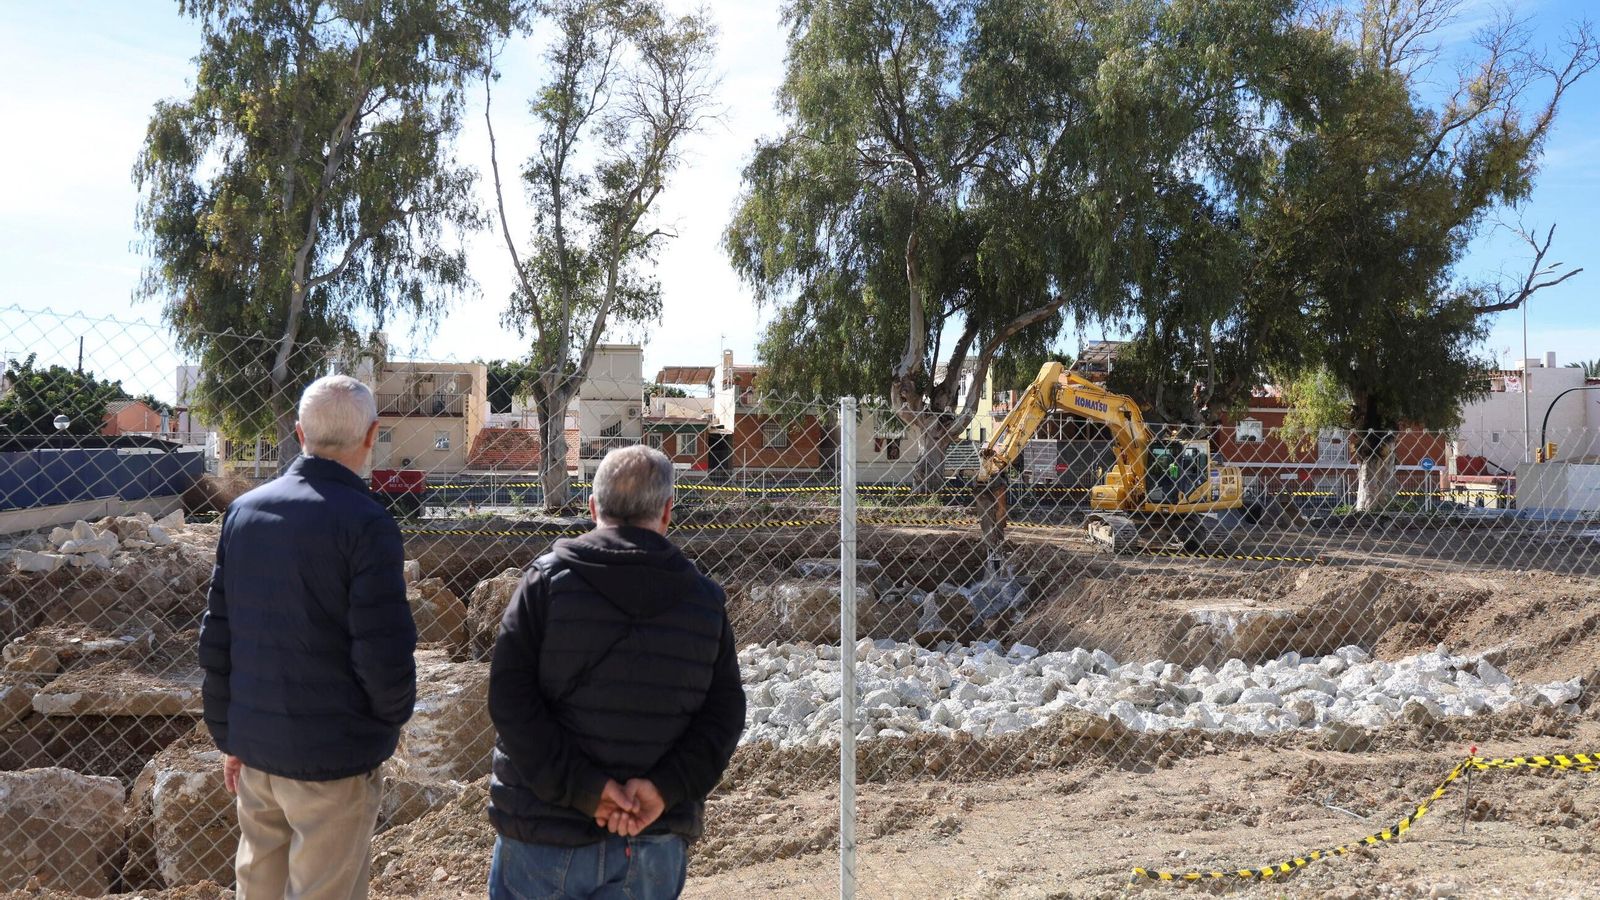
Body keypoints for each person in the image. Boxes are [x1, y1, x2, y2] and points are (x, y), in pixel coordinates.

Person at [487, 444, 745, 900]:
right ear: (667, 512)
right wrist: (664, 789)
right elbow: (723, 716)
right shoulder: (705, 601)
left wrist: (588, 789)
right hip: (653, 838)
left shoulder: (544, 584)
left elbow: (510, 701)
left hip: (542, 831)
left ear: (592, 508)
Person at [199, 375, 417, 900]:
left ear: (300, 433)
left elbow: (220, 633)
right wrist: (389, 720)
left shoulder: (244, 513)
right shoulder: (367, 524)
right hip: (334, 757)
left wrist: (232, 735)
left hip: (256, 753)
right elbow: (381, 649)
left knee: (258, 885)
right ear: (372, 435)